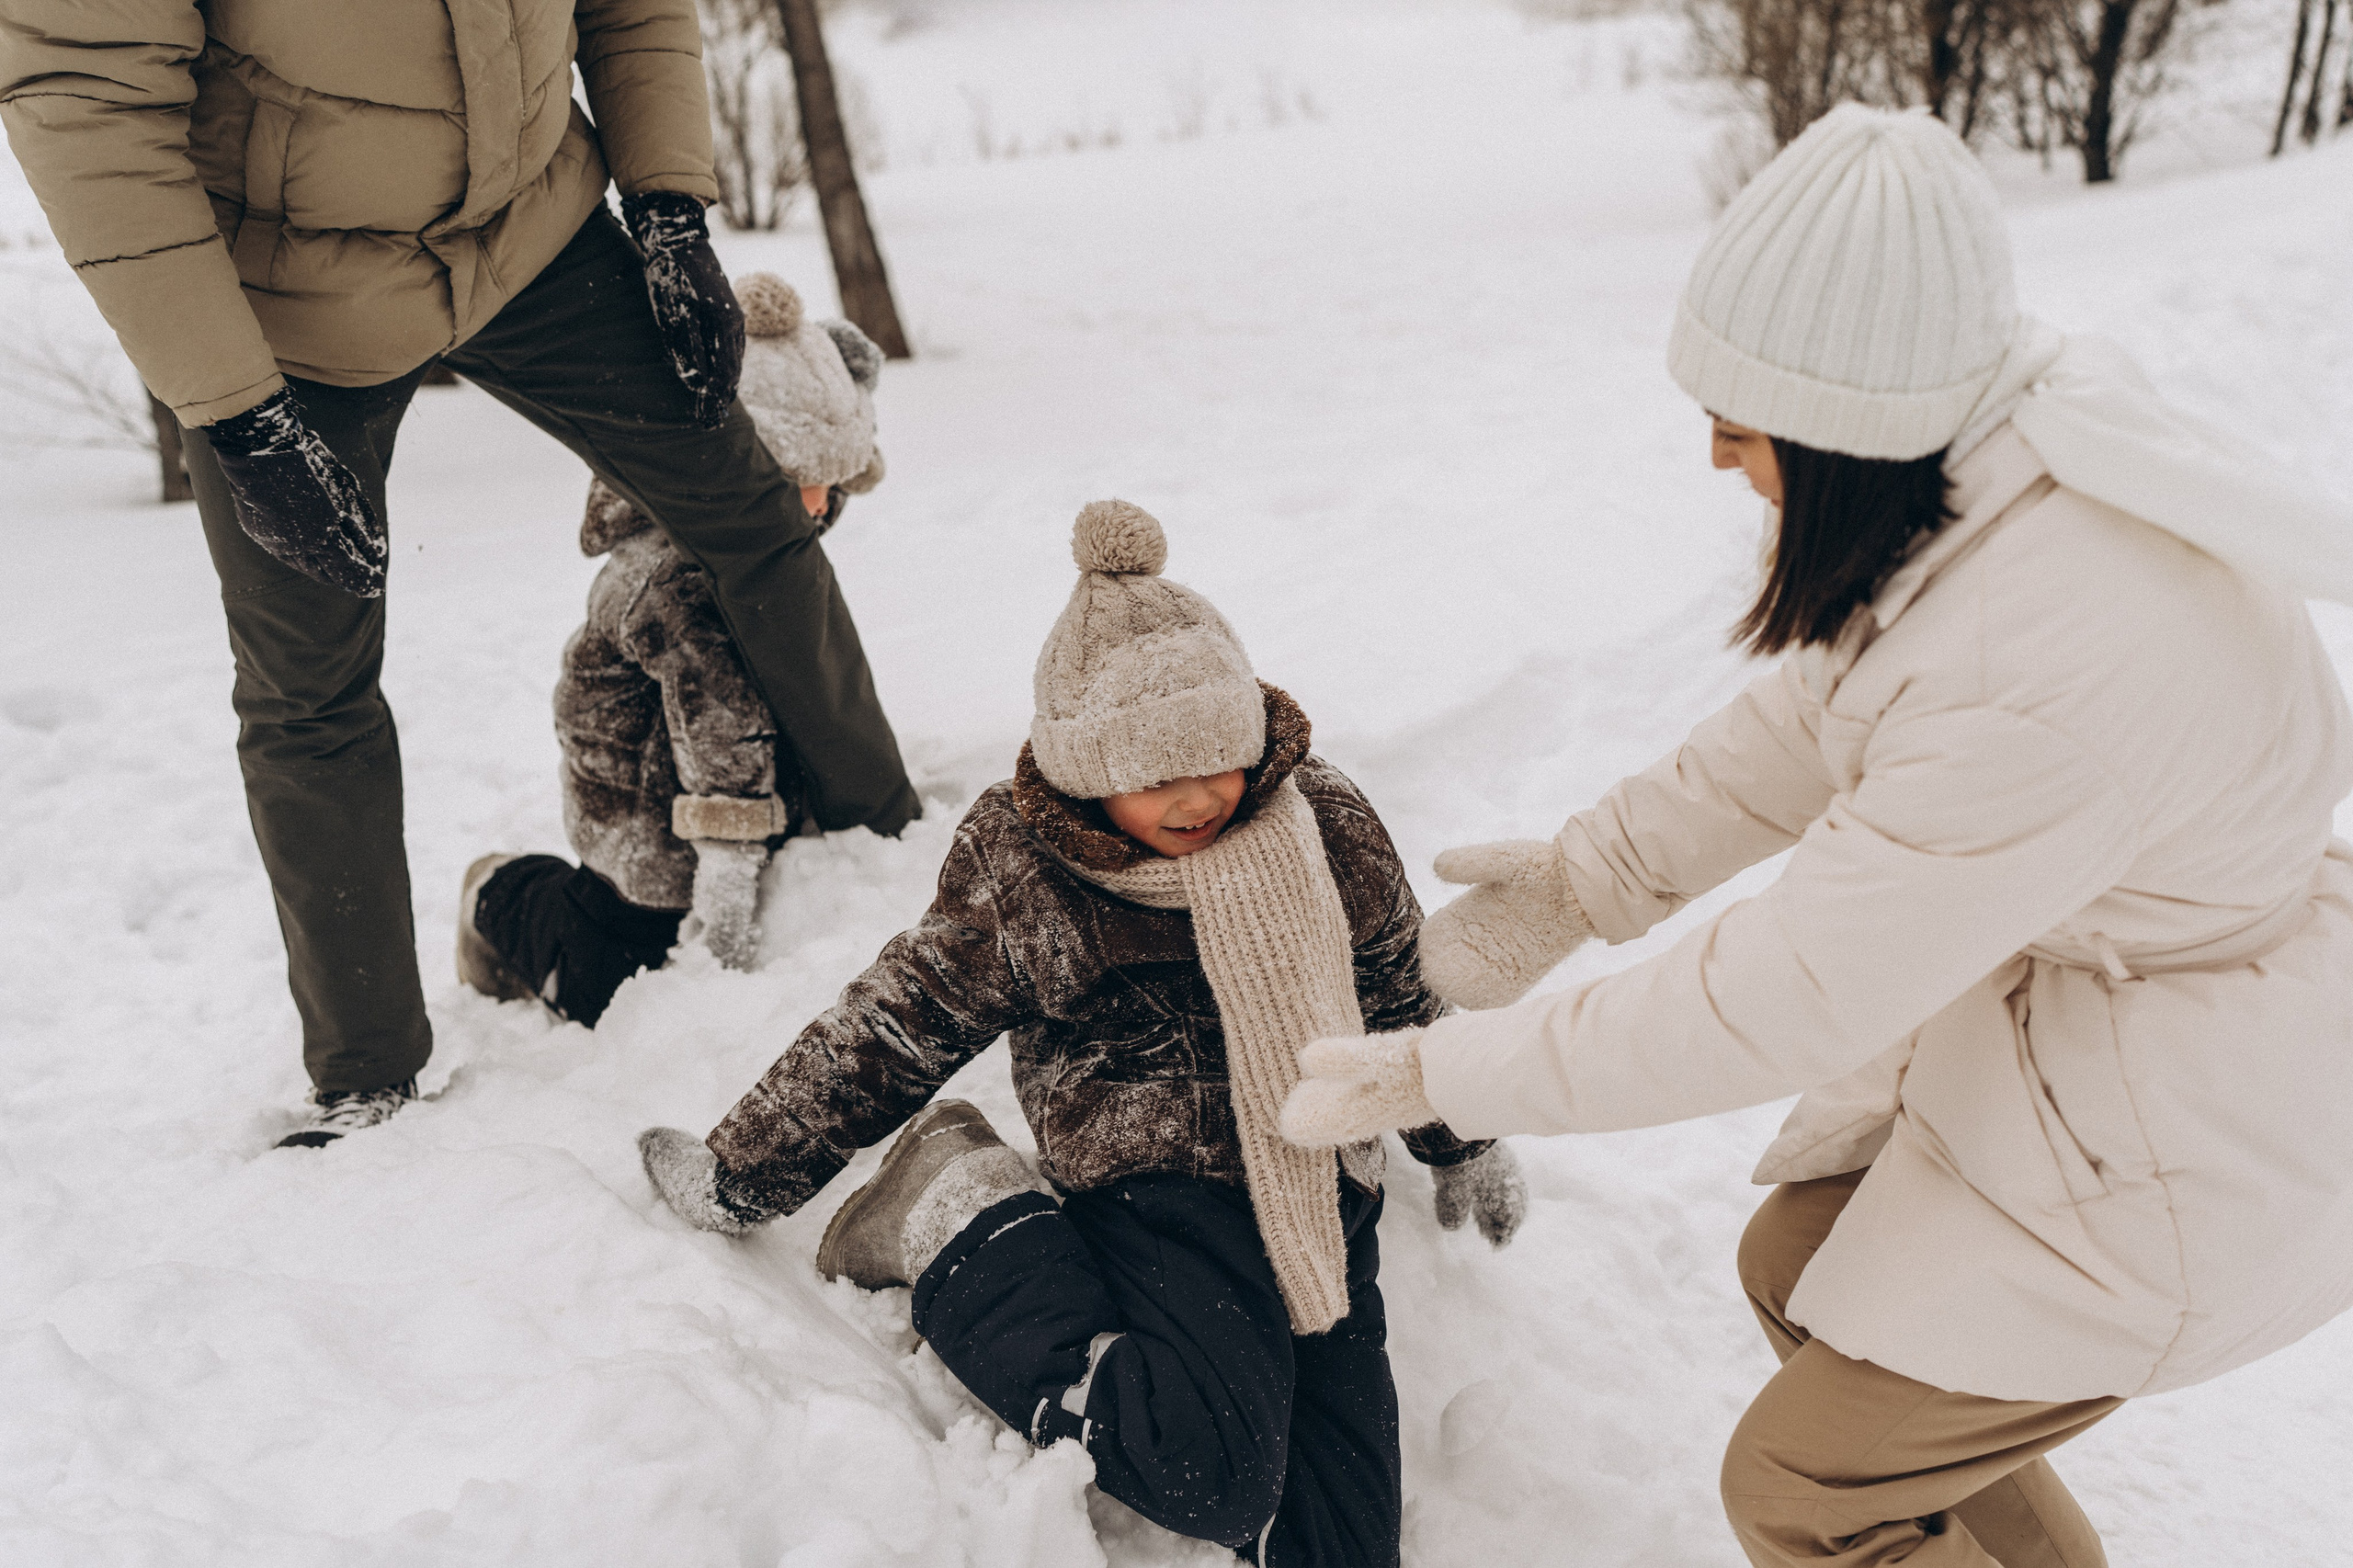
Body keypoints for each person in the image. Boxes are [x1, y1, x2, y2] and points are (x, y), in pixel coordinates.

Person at [1283, 106, 2353, 1568]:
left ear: (1851, 428)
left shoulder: (2037, 675)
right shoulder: (2009, 476)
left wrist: (1442, 1069)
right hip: (2122, 1024)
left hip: (2197, 1123)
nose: (1720, 459)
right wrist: (1593, 873)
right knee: (1802, 1260)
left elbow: (1772, 998)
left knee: (1803, 1487)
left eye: (1740, 425)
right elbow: (1831, 712)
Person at [0, 3, 919, 1146]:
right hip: (286, 305)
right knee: (309, 683)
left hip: (535, 229)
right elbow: (88, 96)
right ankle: (366, 1075)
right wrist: (232, 409)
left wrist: (669, 205)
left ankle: (890, 854)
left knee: (748, 510)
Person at [638, 503, 1527, 1567]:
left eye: (1218, 759)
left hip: (1319, 1173)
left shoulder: (1323, 824)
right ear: (1086, 768)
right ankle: (957, 1213)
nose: (1198, 795)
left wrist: (1460, 1138)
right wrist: (749, 1170)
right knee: (1209, 1468)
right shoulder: (1033, 870)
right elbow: (896, 1020)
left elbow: (1393, 989)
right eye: (1155, 773)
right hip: (1156, 1174)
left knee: (1340, 1546)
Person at [459, 274, 888, 1026]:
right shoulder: (674, 581)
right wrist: (724, 927)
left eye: (832, 479)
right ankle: (497, 894)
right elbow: (720, 730)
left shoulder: (755, 552)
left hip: (717, 805)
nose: (821, 503)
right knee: (605, 984)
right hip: (641, 841)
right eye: (800, 480)